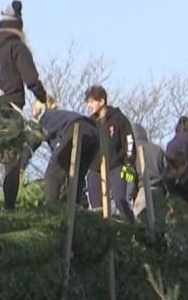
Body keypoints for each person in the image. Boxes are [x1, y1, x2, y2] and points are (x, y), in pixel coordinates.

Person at [0, 0, 47, 210]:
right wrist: (43, 98)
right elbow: (31, 80)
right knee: (12, 162)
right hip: (10, 110)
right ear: (19, 27)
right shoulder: (18, 47)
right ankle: (9, 209)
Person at [83, 85, 135, 222]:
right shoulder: (89, 123)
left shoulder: (119, 119)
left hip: (115, 166)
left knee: (119, 199)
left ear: (102, 101)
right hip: (95, 168)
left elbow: (129, 140)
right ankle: (101, 232)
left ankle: (130, 225)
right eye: (88, 102)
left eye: (92, 102)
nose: (89, 106)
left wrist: (129, 163)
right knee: (96, 206)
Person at [37, 102, 98, 207]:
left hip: (77, 128)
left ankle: (50, 208)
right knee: (76, 174)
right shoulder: (58, 119)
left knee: (53, 172)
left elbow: (32, 141)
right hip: (93, 134)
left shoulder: (41, 118)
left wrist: (21, 167)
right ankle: (77, 207)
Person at [130, 123, 166, 220]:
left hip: (142, 192)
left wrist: (129, 195)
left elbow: (131, 176)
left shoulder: (132, 152)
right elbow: (167, 171)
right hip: (159, 190)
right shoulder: (158, 149)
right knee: (160, 224)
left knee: (140, 222)